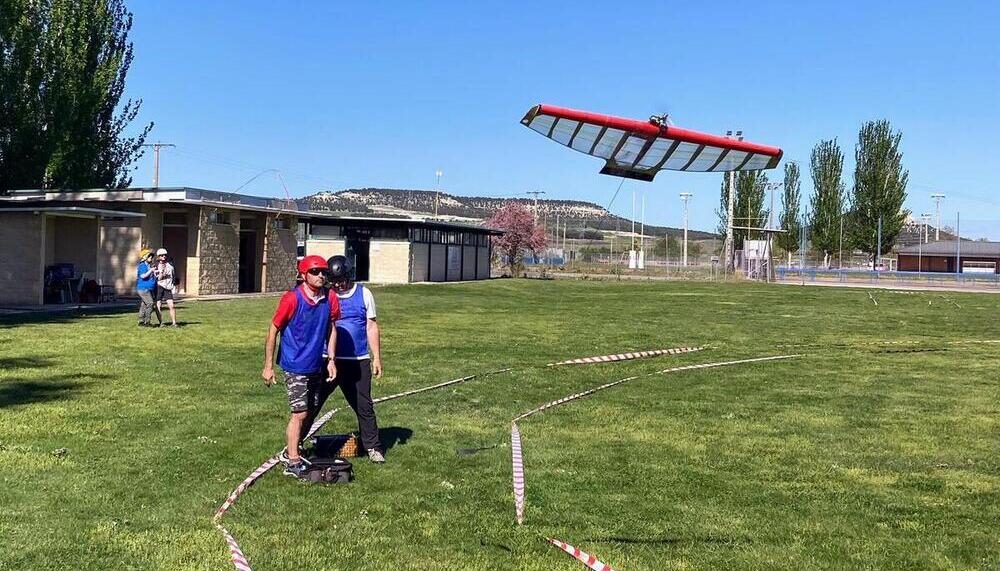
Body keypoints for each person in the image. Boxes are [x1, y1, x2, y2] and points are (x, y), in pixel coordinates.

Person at [262, 255, 340, 477]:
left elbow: (332, 329)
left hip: (316, 363)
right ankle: (292, 459)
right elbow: (273, 330)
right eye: (315, 272)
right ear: (303, 275)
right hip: (294, 363)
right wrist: (268, 366)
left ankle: (294, 447)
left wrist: (332, 359)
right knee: (299, 412)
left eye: (323, 272)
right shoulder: (291, 299)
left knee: (310, 410)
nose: (321, 276)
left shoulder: (330, 298)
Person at [325, 255, 385, 463]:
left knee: (363, 405)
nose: (338, 285)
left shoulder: (364, 294)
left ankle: (373, 447)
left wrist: (377, 357)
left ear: (349, 276)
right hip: (329, 360)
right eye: (334, 281)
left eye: (341, 280)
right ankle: (296, 447)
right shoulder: (326, 295)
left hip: (358, 360)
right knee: (312, 403)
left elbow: (371, 326)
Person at [153, 248, 178, 327]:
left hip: (168, 287)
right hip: (159, 287)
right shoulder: (156, 266)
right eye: (162, 255)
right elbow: (157, 278)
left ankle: (174, 323)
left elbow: (174, 275)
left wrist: (174, 284)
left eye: (165, 255)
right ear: (159, 256)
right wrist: (162, 273)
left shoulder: (170, 265)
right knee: (158, 305)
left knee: (171, 305)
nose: (164, 256)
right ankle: (161, 322)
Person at [136, 248, 157, 327]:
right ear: (144, 257)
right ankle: (147, 322)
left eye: (151, 257)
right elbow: (143, 276)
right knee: (150, 303)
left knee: (144, 304)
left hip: (149, 288)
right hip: (143, 288)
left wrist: (155, 272)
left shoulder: (149, 266)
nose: (151, 258)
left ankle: (141, 321)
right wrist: (151, 271)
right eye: (149, 257)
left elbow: (150, 275)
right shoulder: (142, 266)